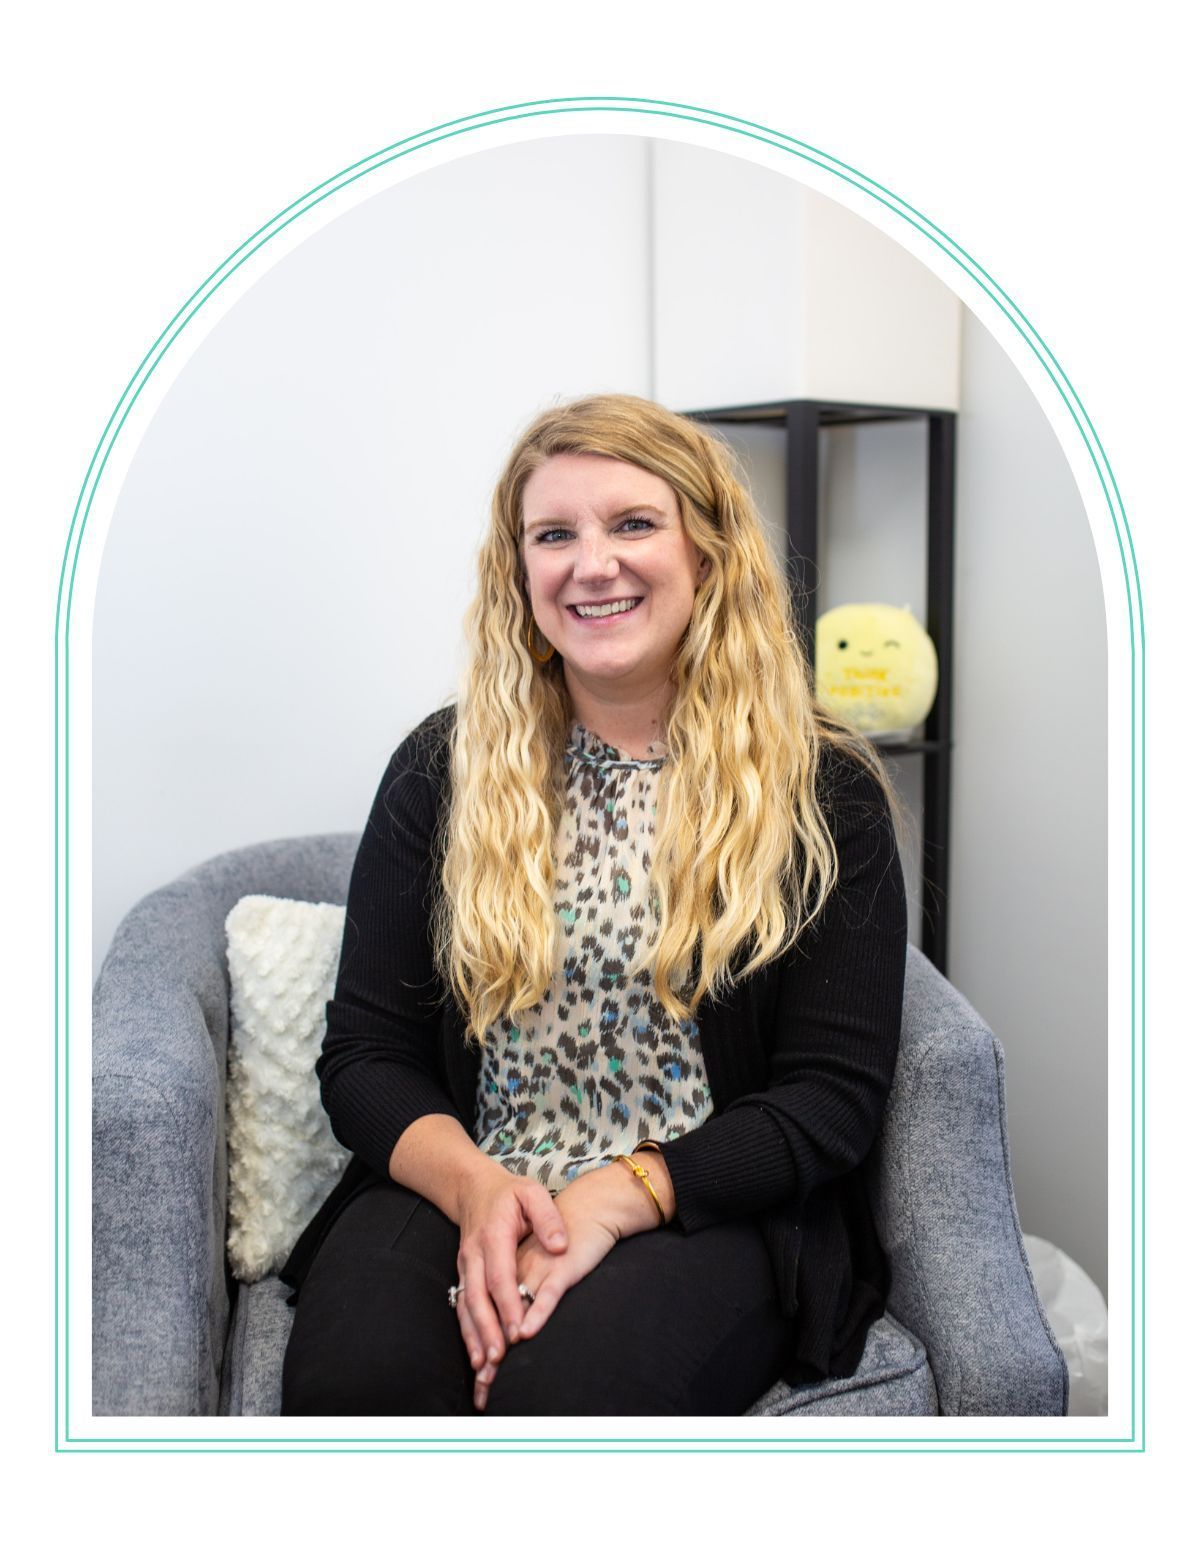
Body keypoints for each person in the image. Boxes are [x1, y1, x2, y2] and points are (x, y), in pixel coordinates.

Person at [279, 393, 909, 1416]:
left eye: (633, 523)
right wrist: (482, 1191)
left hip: (704, 1204)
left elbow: (832, 1094)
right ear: (519, 569)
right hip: (464, 1178)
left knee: (561, 1403)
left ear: (706, 551)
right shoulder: (443, 767)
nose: (592, 562)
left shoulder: (820, 784)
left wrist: (616, 1197)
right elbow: (365, 1054)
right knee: (362, 1390)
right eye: (554, 534)